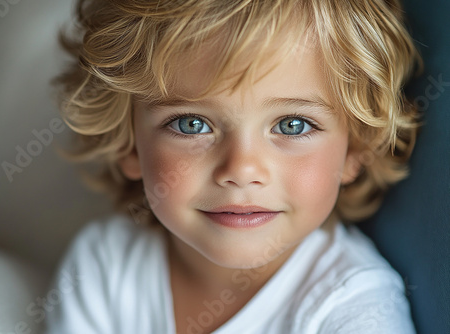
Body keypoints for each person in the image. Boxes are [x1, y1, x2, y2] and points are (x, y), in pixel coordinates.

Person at [46, 0, 422, 333]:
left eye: (293, 125)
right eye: (191, 124)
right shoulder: (105, 263)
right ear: (128, 143)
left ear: (355, 150)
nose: (241, 170)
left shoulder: (352, 311)